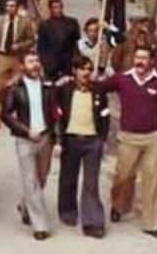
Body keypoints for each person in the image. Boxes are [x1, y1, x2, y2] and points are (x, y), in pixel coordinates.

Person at [102, 45, 157, 237]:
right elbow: (100, 88)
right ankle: (119, 206)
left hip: (154, 138)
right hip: (128, 137)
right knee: (123, 176)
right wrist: (93, 77)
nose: (140, 61)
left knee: (153, 179)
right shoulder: (122, 78)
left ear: (152, 61)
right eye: (137, 57)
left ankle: (152, 224)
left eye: (144, 58)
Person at [2, 49, 56, 240]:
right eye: (30, 61)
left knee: (41, 178)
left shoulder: (48, 86)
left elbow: (55, 113)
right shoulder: (15, 88)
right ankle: (40, 225)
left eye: (36, 60)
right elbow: (6, 114)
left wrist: (55, 139)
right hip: (25, 139)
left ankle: (25, 204)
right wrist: (25, 131)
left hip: (45, 137)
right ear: (22, 66)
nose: (35, 64)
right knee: (31, 181)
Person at [55, 56, 111, 237]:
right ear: (74, 71)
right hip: (71, 140)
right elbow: (56, 114)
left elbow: (105, 115)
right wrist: (58, 141)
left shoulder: (99, 91)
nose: (86, 72)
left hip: (92, 141)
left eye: (89, 69)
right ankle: (67, 211)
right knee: (68, 178)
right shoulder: (64, 90)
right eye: (82, 69)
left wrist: (101, 138)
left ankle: (92, 221)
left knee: (91, 182)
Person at [0, 0, 33, 97]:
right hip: (0, 56)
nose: (9, 8)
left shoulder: (25, 22)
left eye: (12, 6)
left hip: (17, 57)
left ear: (17, 7)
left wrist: (20, 46)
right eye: (7, 6)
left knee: (16, 87)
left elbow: (31, 40)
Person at [37, 0, 80, 81]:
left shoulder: (72, 22)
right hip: (51, 63)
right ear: (50, 9)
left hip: (67, 62)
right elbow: (41, 46)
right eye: (55, 7)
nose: (58, 10)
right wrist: (45, 62)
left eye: (60, 7)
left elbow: (76, 43)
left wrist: (75, 60)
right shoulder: (45, 25)